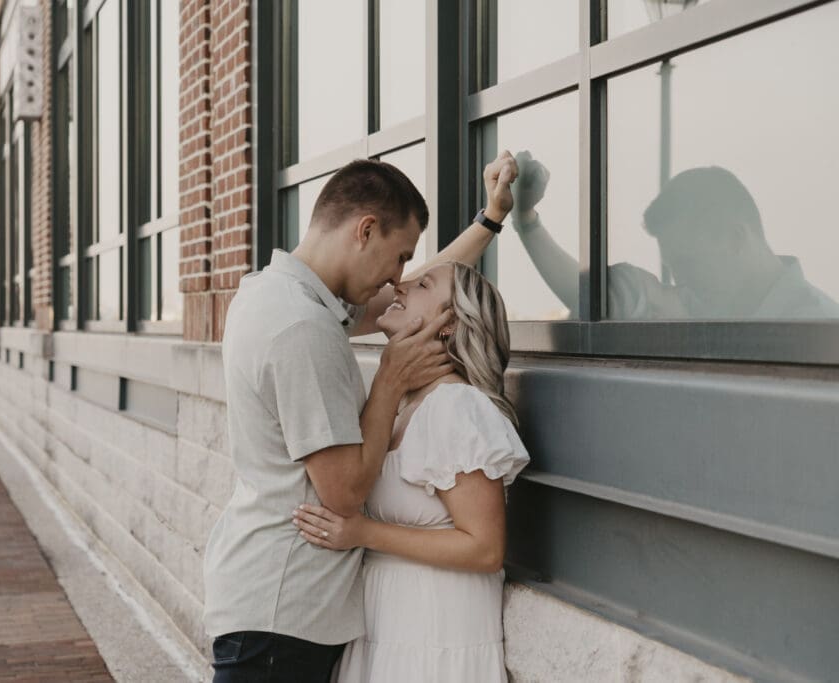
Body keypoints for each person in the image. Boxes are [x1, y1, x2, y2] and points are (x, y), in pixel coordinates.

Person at [203, 152, 520, 682]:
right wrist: (390, 380)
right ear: (365, 230)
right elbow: (345, 494)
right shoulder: (303, 328)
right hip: (285, 605)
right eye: (398, 257)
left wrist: (489, 222)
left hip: (285, 603)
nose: (399, 279)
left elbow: (431, 289)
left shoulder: (276, 294)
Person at [292, 260, 530, 683]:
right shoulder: (401, 408)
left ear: (448, 323)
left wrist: (361, 532)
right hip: (386, 627)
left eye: (421, 284)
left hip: (436, 633)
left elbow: (485, 547)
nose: (398, 285)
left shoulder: (457, 408)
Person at [509, 153, 839, 319]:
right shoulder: (696, 305)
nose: (681, 280)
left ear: (736, 238)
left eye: (688, 263)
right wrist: (526, 220)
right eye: (673, 268)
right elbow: (593, 298)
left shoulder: (818, 327)